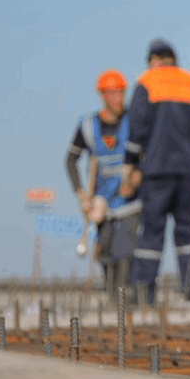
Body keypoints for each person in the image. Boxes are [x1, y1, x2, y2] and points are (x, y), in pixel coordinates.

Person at [122, 39, 190, 304]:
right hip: (187, 171)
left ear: (154, 60)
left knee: (151, 231)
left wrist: (129, 163)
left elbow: (136, 126)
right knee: (186, 230)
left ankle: (143, 292)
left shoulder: (148, 82)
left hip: (156, 170)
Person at [65, 69, 141, 298]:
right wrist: (80, 193)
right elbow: (70, 160)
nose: (118, 99)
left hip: (130, 199)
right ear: (102, 96)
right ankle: (112, 298)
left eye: (121, 93)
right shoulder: (87, 126)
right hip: (101, 202)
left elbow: (148, 154)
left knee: (125, 250)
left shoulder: (134, 121)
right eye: (112, 94)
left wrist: (137, 177)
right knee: (106, 251)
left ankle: (126, 300)